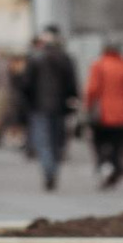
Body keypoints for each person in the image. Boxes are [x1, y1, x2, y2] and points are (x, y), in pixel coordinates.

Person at [82, 36, 123, 185]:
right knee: (118, 145)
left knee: (99, 142)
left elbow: (92, 90)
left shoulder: (98, 65)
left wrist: (88, 107)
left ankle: (103, 164)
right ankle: (114, 169)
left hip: (102, 115)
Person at [21, 25, 77, 191]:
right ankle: (53, 171)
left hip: (39, 107)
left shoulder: (35, 58)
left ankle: (48, 171)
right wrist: (71, 101)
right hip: (59, 107)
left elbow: (26, 85)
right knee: (57, 142)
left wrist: (27, 105)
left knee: (44, 142)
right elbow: (71, 85)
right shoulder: (65, 58)